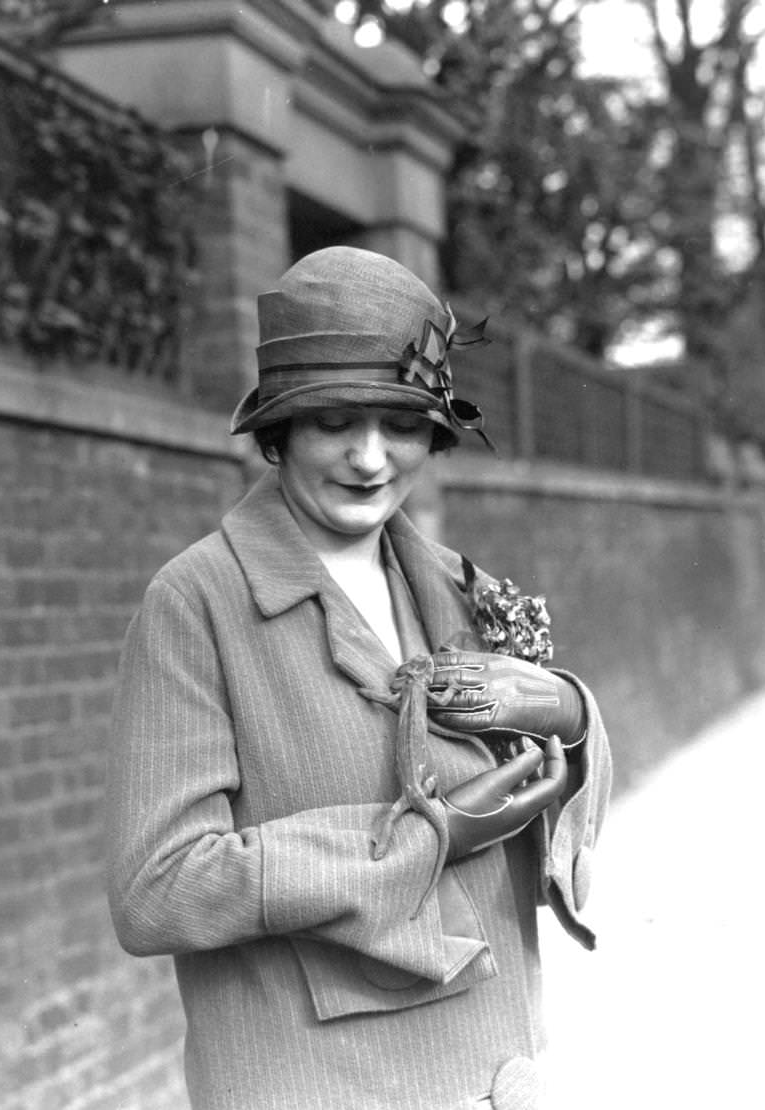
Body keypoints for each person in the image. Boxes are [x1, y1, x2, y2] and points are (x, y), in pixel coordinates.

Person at [105, 247, 611, 1110]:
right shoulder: (196, 603)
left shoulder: (455, 582)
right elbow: (157, 888)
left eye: (402, 425)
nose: (370, 459)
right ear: (279, 433)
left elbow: (541, 811)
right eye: (335, 422)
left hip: (495, 1073)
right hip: (327, 1086)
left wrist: (568, 710)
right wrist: (421, 840)